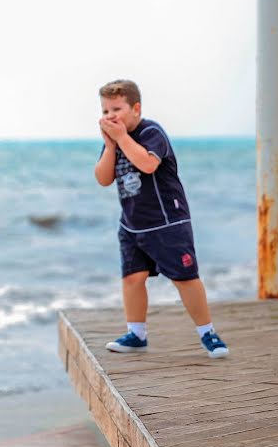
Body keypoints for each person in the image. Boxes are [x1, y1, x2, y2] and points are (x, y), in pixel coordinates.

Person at [94, 80, 229, 359]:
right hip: (132, 224)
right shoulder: (115, 141)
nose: (110, 117)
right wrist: (110, 146)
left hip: (167, 222)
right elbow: (103, 178)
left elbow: (147, 163)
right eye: (105, 111)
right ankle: (137, 334)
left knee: (184, 278)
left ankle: (208, 333)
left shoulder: (151, 132)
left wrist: (121, 139)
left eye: (116, 109)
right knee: (132, 278)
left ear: (135, 108)